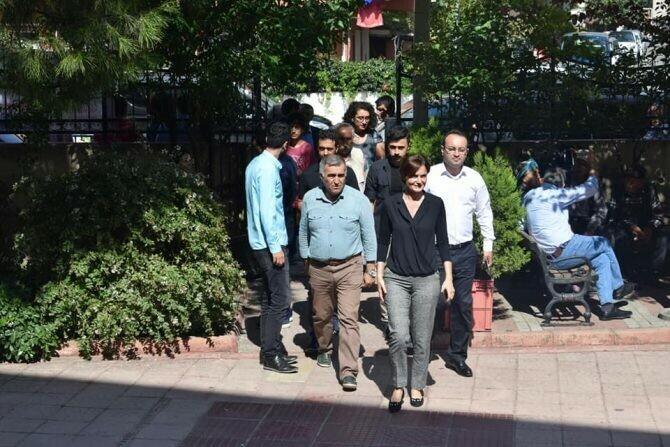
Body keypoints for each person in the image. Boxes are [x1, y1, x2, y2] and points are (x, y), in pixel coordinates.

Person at [377, 154, 455, 413]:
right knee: (398, 335)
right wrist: (378, 275)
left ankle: (418, 385)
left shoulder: (435, 204)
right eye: (414, 176)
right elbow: (383, 241)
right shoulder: (391, 204)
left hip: (427, 280)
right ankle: (399, 384)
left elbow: (444, 243)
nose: (419, 181)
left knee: (422, 338)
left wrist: (448, 278)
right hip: (396, 278)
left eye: (423, 176)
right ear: (404, 176)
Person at [299, 154, 377, 391]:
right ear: (322, 177)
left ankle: (348, 371)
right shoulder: (310, 198)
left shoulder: (358, 200)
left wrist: (370, 268)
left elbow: (369, 235)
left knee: (348, 319)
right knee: (321, 315)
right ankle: (324, 347)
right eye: (331, 176)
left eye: (341, 175)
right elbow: (303, 231)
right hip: (319, 267)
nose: (337, 180)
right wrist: (305, 259)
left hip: (349, 267)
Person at [425, 130, 495, 378]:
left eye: (461, 150)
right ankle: (423, 350)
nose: (456, 153)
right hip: (435, 250)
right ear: (443, 150)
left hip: (464, 250)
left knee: (463, 304)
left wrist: (488, 244)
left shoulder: (474, 179)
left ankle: (457, 357)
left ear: (467, 152)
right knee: (432, 301)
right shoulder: (430, 176)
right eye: (452, 149)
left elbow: (484, 211)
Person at [523, 167, 635, 320]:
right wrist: (593, 174)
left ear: (544, 181)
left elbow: (521, 223)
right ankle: (618, 287)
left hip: (549, 255)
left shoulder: (529, 195)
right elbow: (589, 189)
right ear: (562, 185)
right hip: (563, 254)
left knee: (602, 259)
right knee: (603, 242)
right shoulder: (556, 195)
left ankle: (607, 308)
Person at [245, 122, 299, 374]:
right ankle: (271, 354)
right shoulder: (267, 169)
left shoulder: (256, 164)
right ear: (286, 144)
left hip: (262, 242)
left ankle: (271, 347)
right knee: (279, 299)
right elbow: (267, 211)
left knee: (269, 298)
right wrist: (275, 247)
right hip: (270, 244)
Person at [364, 125, 410, 331]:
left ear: (408, 146)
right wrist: (367, 233)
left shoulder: (414, 167)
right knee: (385, 276)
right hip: (383, 230)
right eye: (392, 147)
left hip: (409, 231)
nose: (396, 152)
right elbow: (369, 202)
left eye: (401, 147)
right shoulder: (377, 168)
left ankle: (406, 321)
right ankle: (389, 322)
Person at [608, 165, 669, 284]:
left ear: (641, 182)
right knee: (621, 237)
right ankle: (627, 274)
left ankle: (653, 273)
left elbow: (658, 214)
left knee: (664, 237)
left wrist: (650, 228)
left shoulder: (649, 190)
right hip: (625, 227)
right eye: (627, 180)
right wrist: (631, 227)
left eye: (633, 181)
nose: (629, 184)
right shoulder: (618, 191)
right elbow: (613, 217)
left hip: (645, 226)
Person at [297, 128, 358, 209]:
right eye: (322, 149)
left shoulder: (348, 173)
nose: (325, 153)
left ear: (337, 148)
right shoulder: (307, 175)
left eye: (329, 149)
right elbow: (302, 204)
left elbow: (356, 200)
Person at [568, 158, 608, 236]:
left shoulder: (592, 186)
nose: (578, 168)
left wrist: (591, 228)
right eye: (577, 164)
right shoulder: (569, 183)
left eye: (582, 165)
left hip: (587, 224)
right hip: (568, 225)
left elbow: (602, 211)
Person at [343, 101, 385, 170]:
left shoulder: (374, 136)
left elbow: (382, 160)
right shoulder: (344, 136)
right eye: (360, 118)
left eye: (367, 118)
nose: (364, 122)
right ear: (352, 118)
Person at [334, 122, 366, 191]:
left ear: (353, 139)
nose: (345, 143)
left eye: (348, 139)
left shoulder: (358, 153)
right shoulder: (332, 158)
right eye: (341, 139)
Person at [285, 112, 315, 176]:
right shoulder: (284, 145)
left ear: (302, 129)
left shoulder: (307, 148)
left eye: (297, 127)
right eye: (291, 127)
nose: (293, 131)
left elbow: (310, 168)